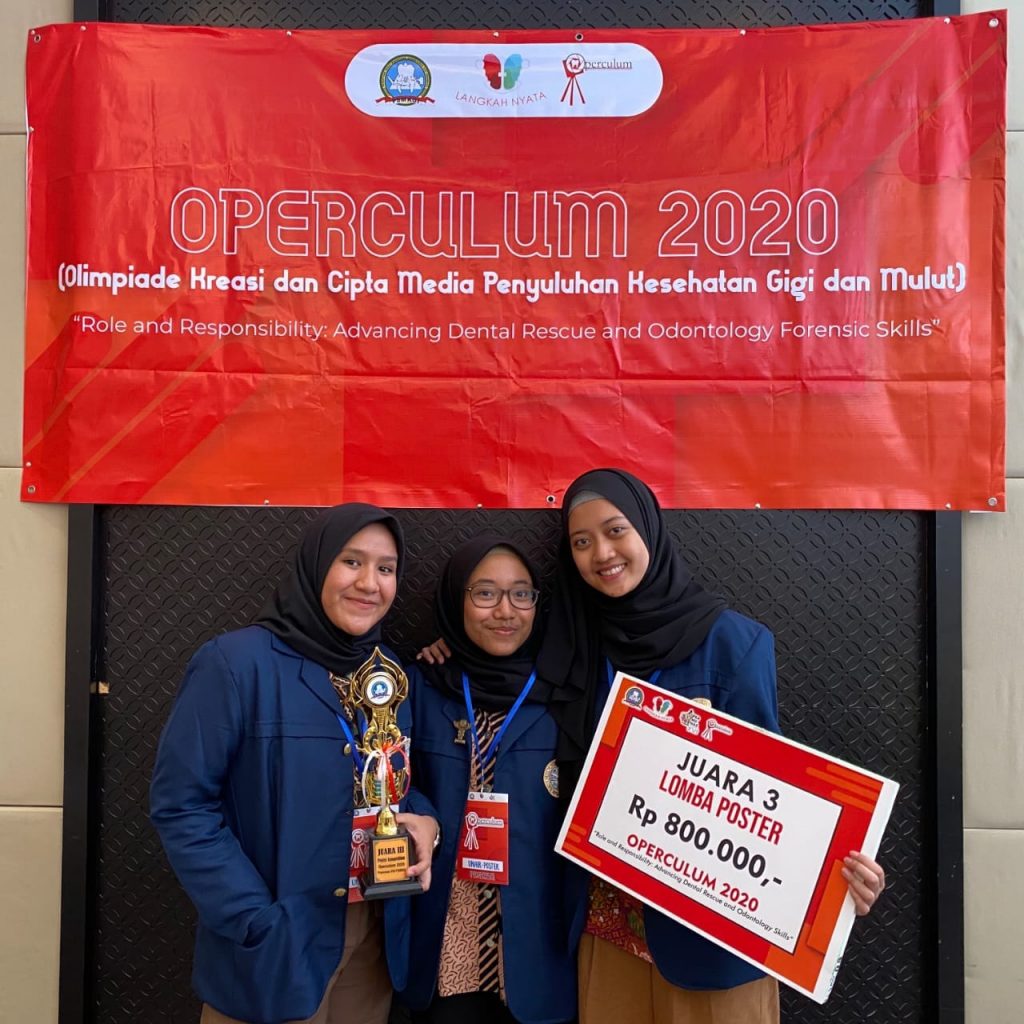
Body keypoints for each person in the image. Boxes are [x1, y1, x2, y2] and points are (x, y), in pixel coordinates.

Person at [538, 468, 886, 1024]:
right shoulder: (574, 642)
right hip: (607, 931)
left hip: (711, 937)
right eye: (581, 542)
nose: (601, 553)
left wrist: (833, 877)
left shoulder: (733, 643)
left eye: (615, 530)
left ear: (648, 529)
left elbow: (770, 796)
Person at [150, 504, 441, 1024]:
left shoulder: (388, 673)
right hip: (278, 941)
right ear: (316, 565)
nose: (369, 583)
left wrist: (426, 820)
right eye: (351, 562)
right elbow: (181, 805)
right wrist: (253, 919)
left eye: (386, 568)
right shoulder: (236, 663)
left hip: (374, 935)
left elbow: (390, 779)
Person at [400, 535, 576, 1024]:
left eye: (521, 593)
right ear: (455, 599)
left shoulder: (566, 693)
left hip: (540, 947)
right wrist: (424, 816)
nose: (505, 611)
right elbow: (393, 784)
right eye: (484, 593)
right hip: (447, 947)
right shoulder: (421, 685)